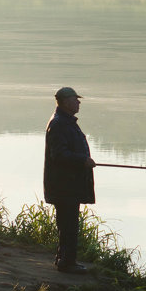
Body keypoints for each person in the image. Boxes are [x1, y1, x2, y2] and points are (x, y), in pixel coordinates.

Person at [44, 87, 96, 272]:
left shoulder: (64, 121)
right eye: (76, 99)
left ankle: (63, 259)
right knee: (69, 225)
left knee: (67, 224)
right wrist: (82, 160)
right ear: (66, 102)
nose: (79, 102)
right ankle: (67, 263)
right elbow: (58, 155)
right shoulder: (59, 124)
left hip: (67, 185)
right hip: (65, 186)